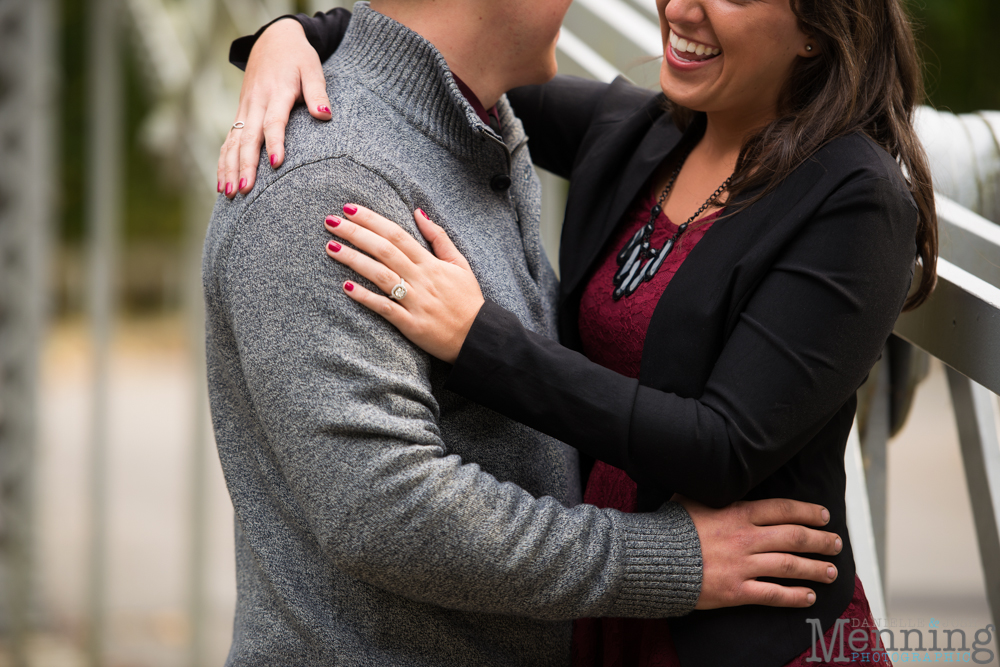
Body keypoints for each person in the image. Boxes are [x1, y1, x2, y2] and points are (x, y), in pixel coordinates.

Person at [219, 0, 937, 665]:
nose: (682, 7)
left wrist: (480, 340)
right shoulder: (642, 132)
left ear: (818, 24)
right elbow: (450, 55)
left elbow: (724, 446)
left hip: (750, 621)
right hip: (606, 607)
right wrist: (289, 36)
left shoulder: (855, 198)